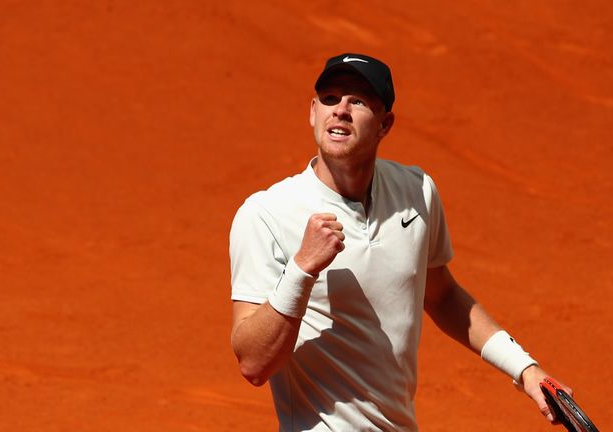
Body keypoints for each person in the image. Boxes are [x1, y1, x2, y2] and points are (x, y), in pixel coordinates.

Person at [229, 52, 569, 431]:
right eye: (330, 98)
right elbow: (253, 364)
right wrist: (301, 269)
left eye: (357, 101)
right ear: (313, 112)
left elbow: (442, 296)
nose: (340, 110)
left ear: (384, 124)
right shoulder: (266, 214)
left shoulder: (416, 191)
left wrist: (525, 368)